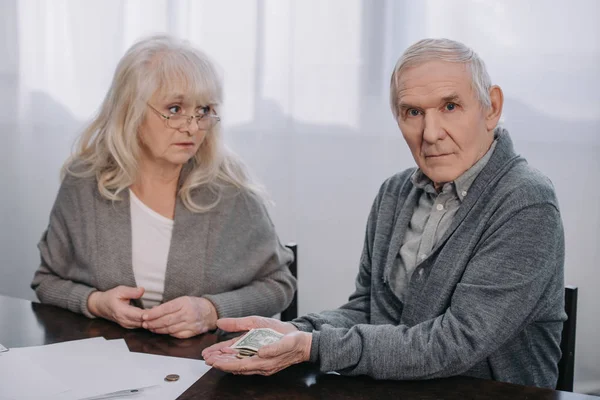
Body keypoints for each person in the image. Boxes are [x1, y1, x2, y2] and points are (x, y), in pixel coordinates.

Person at [202, 38, 566, 388]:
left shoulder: (526, 200)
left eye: (450, 106)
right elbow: (369, 310)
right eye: (413, 112)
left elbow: (456, 344)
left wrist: (313, 347)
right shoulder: (394, 193)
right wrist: (300, 331)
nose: (431, 133)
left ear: (492, 108)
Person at [31, 34, 296, 339]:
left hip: (207, 368)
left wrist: (211, 311)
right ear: (130, 111)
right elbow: (46, 280)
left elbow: (280, 285)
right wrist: (96, 303)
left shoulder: (230, 189)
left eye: (204, 110)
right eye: (174, 109)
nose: (193, 127)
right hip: (109, 366)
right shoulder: (84, 183)